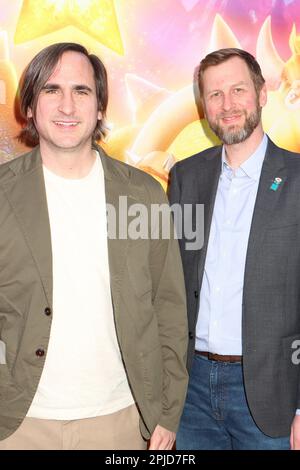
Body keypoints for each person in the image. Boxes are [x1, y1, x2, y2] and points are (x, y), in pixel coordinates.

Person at [0, 42, 188, 450]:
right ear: (29, 106)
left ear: (100, 107)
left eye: (81, 91)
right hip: (17, 424)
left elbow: (169, 307)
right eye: (51, 90)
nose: (67, 105)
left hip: (122, 420)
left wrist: (168, 412)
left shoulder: (141, 194)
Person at [168, 48, 300, 450]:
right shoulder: (185, 177)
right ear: (203, 106)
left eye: (238, 90)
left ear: (262, 94)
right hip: (192, 396)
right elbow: (171, 284)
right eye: (214, 94)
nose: (227, 105)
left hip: (273, 395)